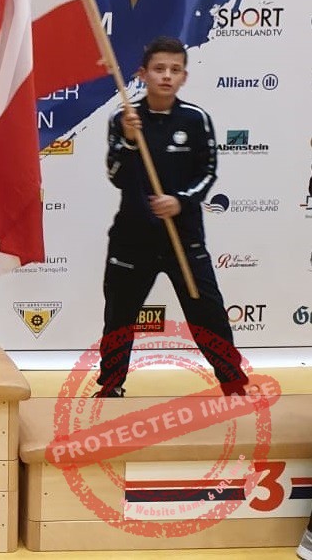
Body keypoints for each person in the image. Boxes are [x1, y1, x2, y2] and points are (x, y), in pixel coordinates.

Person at [95, 36, 248, 397]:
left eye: (175, 70)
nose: (166, 76)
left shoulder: (196, 119)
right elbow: (116, 175)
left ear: (184, 77)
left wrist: (180, 201)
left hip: (184, 236)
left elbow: (208, 172)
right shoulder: (124, 118)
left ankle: (233, 381)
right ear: (143, 74)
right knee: (119, 315)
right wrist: (130, 140)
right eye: (159, 69)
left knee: (208, 312)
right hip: (133, 238)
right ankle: (111, 385)